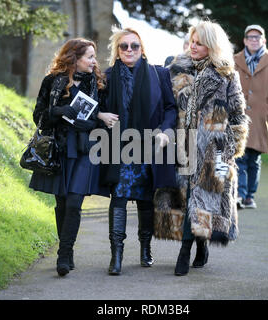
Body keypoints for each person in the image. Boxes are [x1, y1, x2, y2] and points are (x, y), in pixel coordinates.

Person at [155, 20, 250, 276]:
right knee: (186, 198)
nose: (193, 47)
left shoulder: (227, 73)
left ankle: (191, 249)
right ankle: (193, 245)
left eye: (200, 43)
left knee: (204, 199)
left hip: (214, 148)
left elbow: (238, 114)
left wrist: (231, 148)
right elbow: (167, 106)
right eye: (192, 42)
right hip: (182, 146)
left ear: (211, 45)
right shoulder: (176, 69)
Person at [97, 26, 177, 275]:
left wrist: (165, 131)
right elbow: (93, 107)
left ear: (142, 49)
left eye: (134, 46)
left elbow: (171, 107)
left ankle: (145, 249)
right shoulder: (107, 77)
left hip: (150, 146)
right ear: (117, 51)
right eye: (124, 46)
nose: (129, 50)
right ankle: (116, 256)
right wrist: (100, 114)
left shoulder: (158, 74)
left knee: (145, 200)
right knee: (119, 198)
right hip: (118, 147)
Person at [29, 38, 109, 277]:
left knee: (74, 202)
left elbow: (100, 119)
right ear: (74, 58)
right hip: (59, 149)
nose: (95, 62)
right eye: (90, 57)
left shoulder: (97, 83)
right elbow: (39, 117)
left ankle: (64, 254)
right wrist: (61, 111)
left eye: (94, 57)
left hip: (84, 149)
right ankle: (67, 252)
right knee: (62, 203)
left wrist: (95, 120)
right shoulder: (52, 81)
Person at [234, 25, 268, 209]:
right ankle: (240, 195)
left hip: (260, 118)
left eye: (257, 37)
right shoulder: (235, 60)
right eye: (250, 37)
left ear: (263, 40)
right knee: (239, 156)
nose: (253, 40)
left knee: (254, 159)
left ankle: (250, 195)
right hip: (239, 116)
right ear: (244, 40)